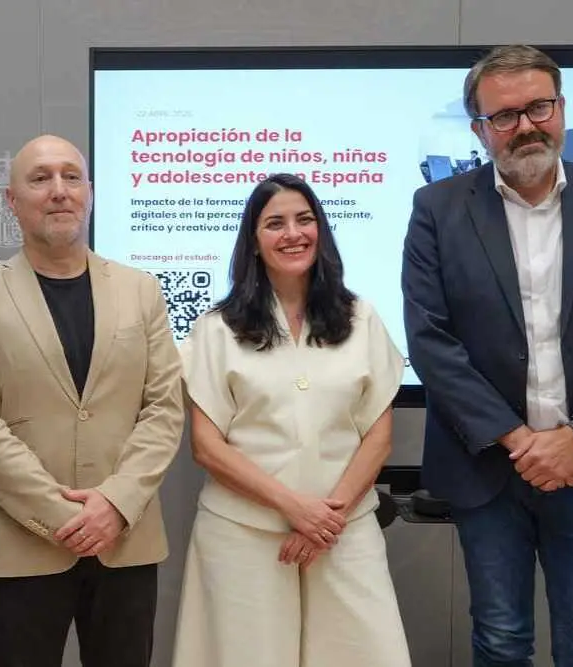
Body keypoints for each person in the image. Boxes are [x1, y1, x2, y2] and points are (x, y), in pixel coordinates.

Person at [402, 44, 573, 667]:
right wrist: (519, 440)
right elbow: (430, 339)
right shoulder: (438, 209)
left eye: (538, 107)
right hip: (489, 469)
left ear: (562, 108)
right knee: (499, 640)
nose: (525, 126)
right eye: (504, 115)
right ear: (479, 129)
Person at [0, 134, 184, 667]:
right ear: (11, 200)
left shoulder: (140, 290)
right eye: (40, 178)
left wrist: (115, 505)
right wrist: (64, 517)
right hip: (24, 547)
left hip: (126, 540)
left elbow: (165, 409)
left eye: (71, 177)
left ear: (90, 193)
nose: (59, 191)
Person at [171, 173, 412, 667]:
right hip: (243, 534)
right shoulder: (217, 329)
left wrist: (325, 519)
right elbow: (207, 447)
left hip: (343, 531)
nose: (293, 233)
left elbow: (379, 437)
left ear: (321, 230)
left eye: (305, 220)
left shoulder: (361, 318)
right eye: (274, 223)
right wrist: (295, 509)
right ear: (254, 242)